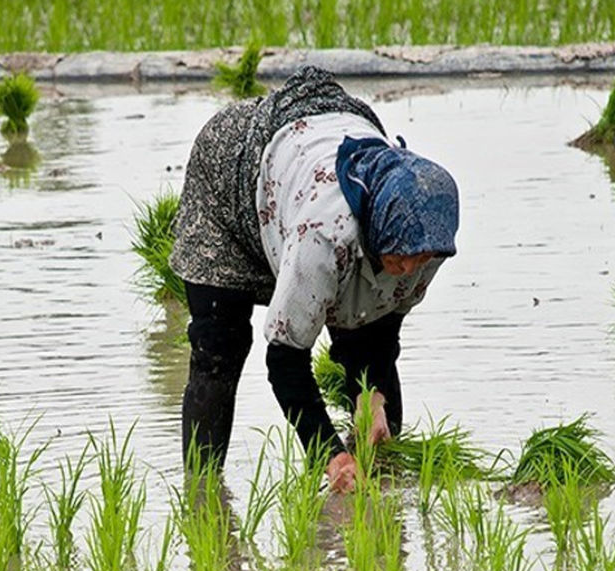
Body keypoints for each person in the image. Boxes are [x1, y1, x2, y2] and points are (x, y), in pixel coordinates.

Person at [172, 66, 459, 492]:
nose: (408, 270)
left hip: (315, 153)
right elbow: (285, 360)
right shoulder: (326, 237)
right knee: (220, 348)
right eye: (400, 258)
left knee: (371, 380)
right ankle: (201, 498)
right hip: (233, 179)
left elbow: (380, 330)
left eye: (421, 260)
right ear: (378, 230)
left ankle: (378, 503)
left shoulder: (428, 236)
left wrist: (372, 395)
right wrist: (329, 453)